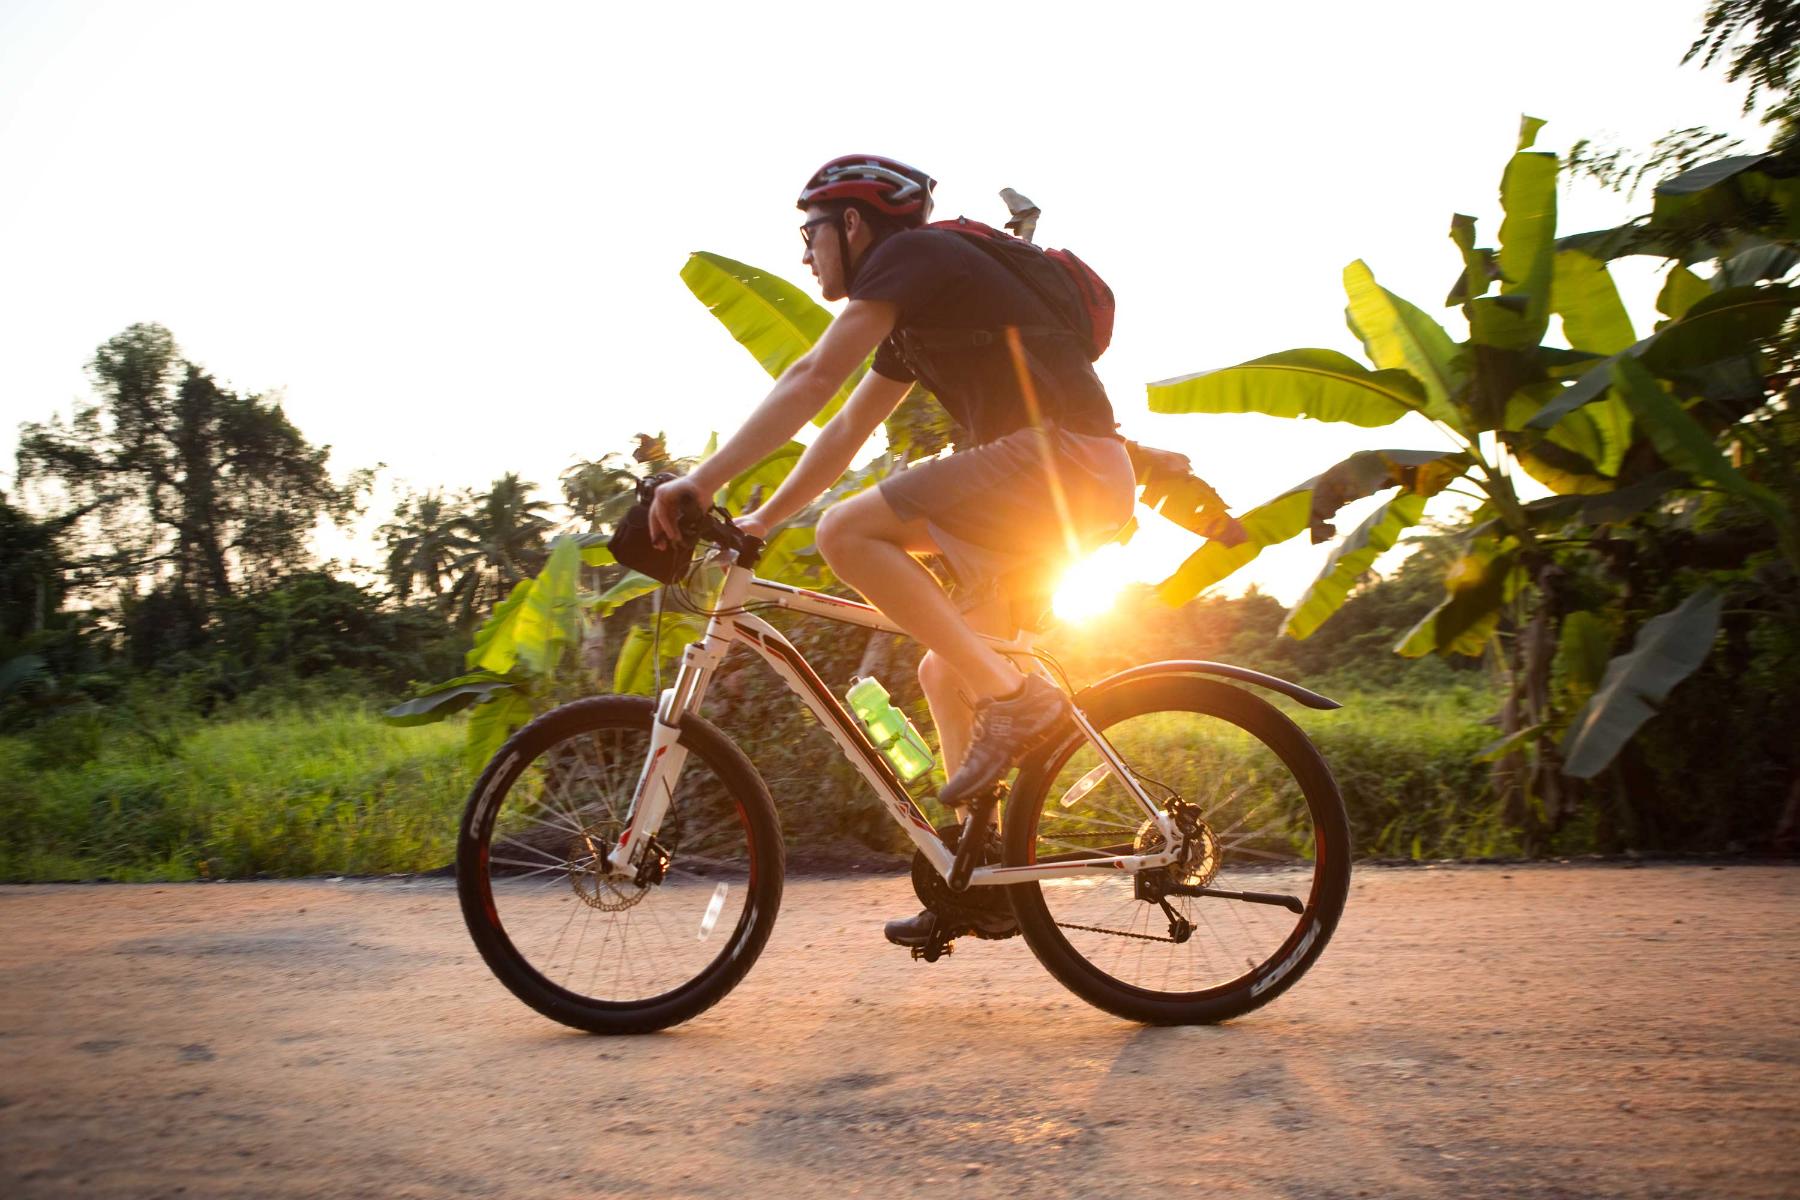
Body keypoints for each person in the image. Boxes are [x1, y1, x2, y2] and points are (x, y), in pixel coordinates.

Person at [648, 154, 1136, 946]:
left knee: (847, 532)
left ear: (852, 225)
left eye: (809, 233)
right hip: (1061, 484)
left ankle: (1021, 705)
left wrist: (699, 484)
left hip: (1062, 464)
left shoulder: (917, 255)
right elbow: (844, 429)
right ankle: (979, 877)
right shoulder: (917, 311)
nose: (803, 254)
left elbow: (812, 379)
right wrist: (764, 521)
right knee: (948, 667)